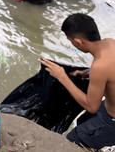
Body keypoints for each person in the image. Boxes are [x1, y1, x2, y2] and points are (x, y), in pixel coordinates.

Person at [40, 14, 115, 150]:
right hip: (109, 106)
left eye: (71, 41)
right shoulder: (110, 43)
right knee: (82, 121)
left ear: (78, 42)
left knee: (69, 142)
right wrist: (86, 73)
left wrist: (62, 77)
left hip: (112, 120)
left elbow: (92, 107)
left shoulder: (99, 67)